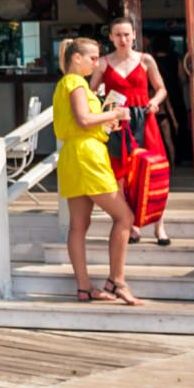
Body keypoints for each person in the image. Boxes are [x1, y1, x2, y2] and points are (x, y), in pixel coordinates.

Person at [54, 37, 144, 306]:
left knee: (79, 226)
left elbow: (80, 122)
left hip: (73, 155)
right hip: (87, 155)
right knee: (125, 217)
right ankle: (117, 281)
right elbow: (83, 119)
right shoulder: (76, 82)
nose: (97, 62)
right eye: (93, 57)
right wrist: (116, 114)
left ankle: (84, 288)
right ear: (76, 58)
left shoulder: (66, 84)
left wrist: (106, 122)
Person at [91, 19, 172, 248]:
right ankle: (132, 224)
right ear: (111, 37)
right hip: (117, 122)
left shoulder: (146, 59)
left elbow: (161, 88)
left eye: (126, 34)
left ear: (134, 35)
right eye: (118, 35)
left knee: (154, 170)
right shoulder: (104, 63)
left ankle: (158, 224)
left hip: (144, 119)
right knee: (122, 174)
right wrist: (102, 105)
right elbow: (90, 92)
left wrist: (155, 103)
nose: (123, 39)